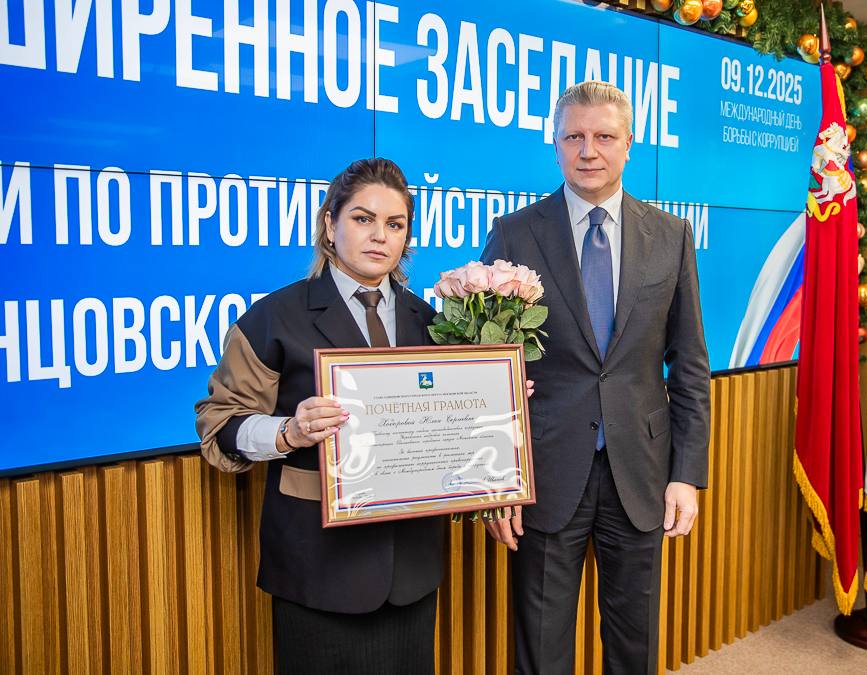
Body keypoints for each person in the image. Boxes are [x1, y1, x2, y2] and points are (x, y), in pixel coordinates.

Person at [480, 81, 711, 674]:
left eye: (604, 137)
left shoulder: (671, 236)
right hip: (545, 473)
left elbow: (689, 364)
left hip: (641, 472)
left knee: (635, 645)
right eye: (573, 137)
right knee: (540, 647)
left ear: (629, 144)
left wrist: (686, 474)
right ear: (555, 144)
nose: (589, 151)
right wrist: (496, 482)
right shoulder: (514, 233)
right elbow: (486, 370)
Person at [195, 158, 444, 674]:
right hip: (319, 567)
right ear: (330, 225)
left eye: (394, 224)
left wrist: (498, 400)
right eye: (362, 218)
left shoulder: (429, 323)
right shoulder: (274, 318)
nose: (379, 235)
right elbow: (220, 424)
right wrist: (288, 431)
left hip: (412, 568)